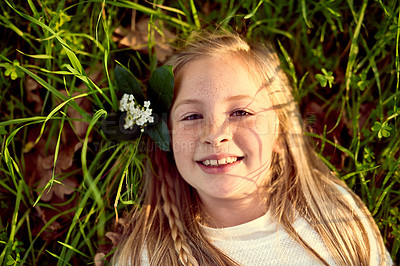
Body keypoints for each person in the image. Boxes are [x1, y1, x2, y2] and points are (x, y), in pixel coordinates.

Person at [112, 32, 392, 265]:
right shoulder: (148, 256)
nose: (215, 135)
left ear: (281, 135)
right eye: (192, 116)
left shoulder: (335, 218)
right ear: (167, 141)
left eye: (241, 112)